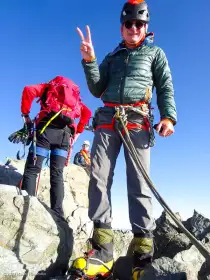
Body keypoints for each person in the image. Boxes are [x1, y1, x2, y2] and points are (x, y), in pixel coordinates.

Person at [72, 0, 177, 279]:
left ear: (146, 27)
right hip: (107, 120)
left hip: (137, 120)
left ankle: (142, 254)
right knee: (98, 177)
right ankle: (102, 249)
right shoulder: (112, 56)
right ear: (122, 27)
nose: (133, 28)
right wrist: (90, 60)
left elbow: (165, 85)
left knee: (139, 183)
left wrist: (169, 117)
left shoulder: (155, 53)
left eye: (139, 23)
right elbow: (96, 88)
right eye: (129, 23)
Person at [9, 76, 91, 217]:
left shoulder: (49, 87)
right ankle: (57, 214)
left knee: (33, 170)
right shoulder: (76, 100)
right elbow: (87, 113)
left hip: (46, 130)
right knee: (57, 175)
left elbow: (28, 90)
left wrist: (25, 114)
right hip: (65, 136)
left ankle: (27, 210)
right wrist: (78, 132)